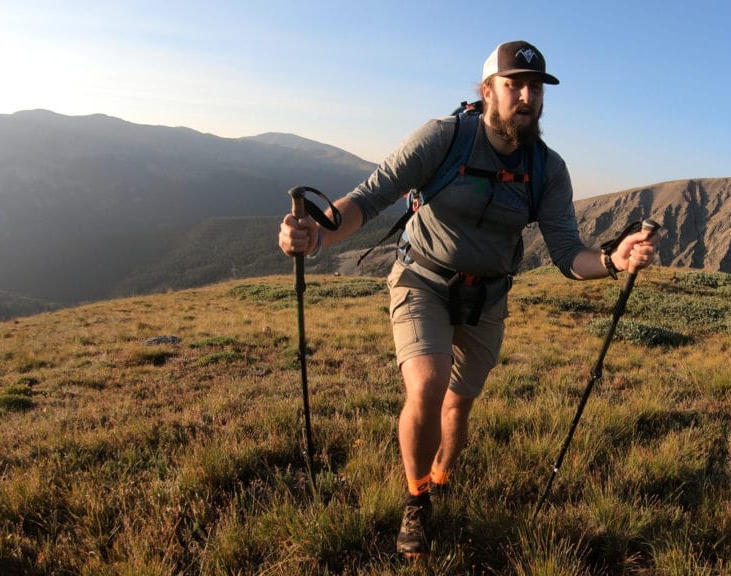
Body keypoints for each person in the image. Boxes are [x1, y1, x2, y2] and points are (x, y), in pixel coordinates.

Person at [278, 40, 659, 557]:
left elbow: (569, 253)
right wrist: (316, 236)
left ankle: (441, 478)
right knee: (429, 384)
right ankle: (416, 504)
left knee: (458, 406)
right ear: (488, 91)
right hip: (423, 280)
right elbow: (370, 196)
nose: (526, 97)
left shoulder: (548, 169)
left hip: (489, 298)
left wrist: (614, 260)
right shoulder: (445, 138)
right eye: (513, 85)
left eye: (535, 88)